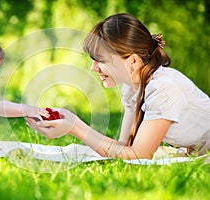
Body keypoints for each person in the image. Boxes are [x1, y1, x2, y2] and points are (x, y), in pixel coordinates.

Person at [27, 13, 210, 160]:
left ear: (133, 61)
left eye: (101, 60)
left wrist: (75, 128)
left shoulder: (163, 87)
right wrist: (73, 123)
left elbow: (140, 155)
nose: (93, 67)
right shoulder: (131, 88)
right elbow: (125, 148)